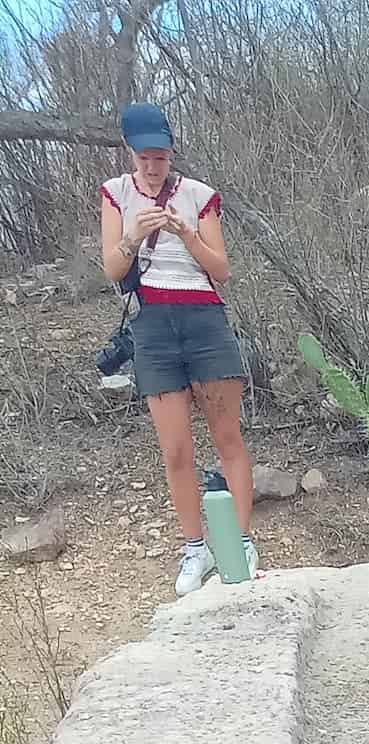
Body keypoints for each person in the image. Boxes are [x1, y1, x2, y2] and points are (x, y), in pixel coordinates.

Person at [100, 103, 256, 597]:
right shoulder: (115, 195)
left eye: (161, 156)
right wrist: (134, 235)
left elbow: (222, 269)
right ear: (131, 152)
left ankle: (242, 541)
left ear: (171, 153)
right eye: (145, 156)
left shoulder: (199, 196)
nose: (153, 165)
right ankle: (195, 547)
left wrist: (185, 232)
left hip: (203, 317)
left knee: (227, 436)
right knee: (175, 449)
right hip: (153, 325)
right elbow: (111, 268)